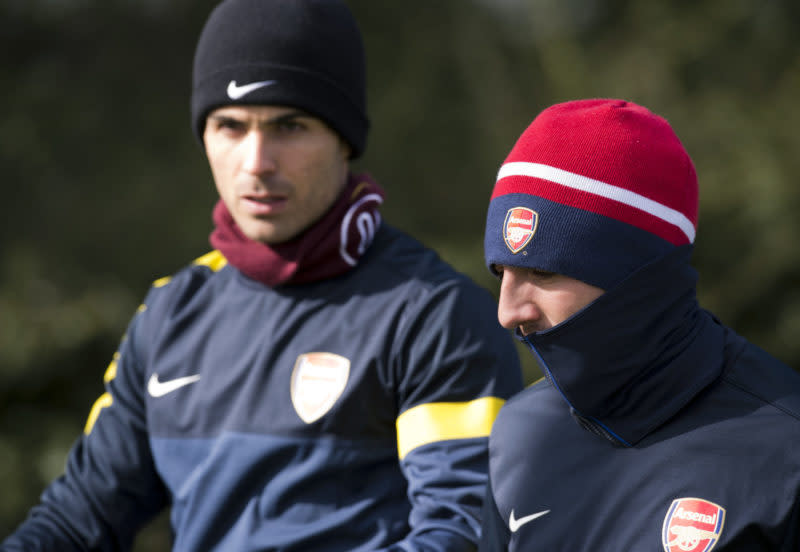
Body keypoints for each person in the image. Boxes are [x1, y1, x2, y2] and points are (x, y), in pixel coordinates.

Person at [1, 0, 523, 550]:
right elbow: (75, 522)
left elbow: (462, 534)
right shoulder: (168, 313)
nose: (256, 161)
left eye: (289, 126)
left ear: (345, 139)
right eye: (229, 126)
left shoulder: (435, 313)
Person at [478, 98, 800, 551]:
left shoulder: (786, 448)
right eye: (501, 272)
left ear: (638, 279)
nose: (507, 311)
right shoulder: (518, 435)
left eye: (543, 273)